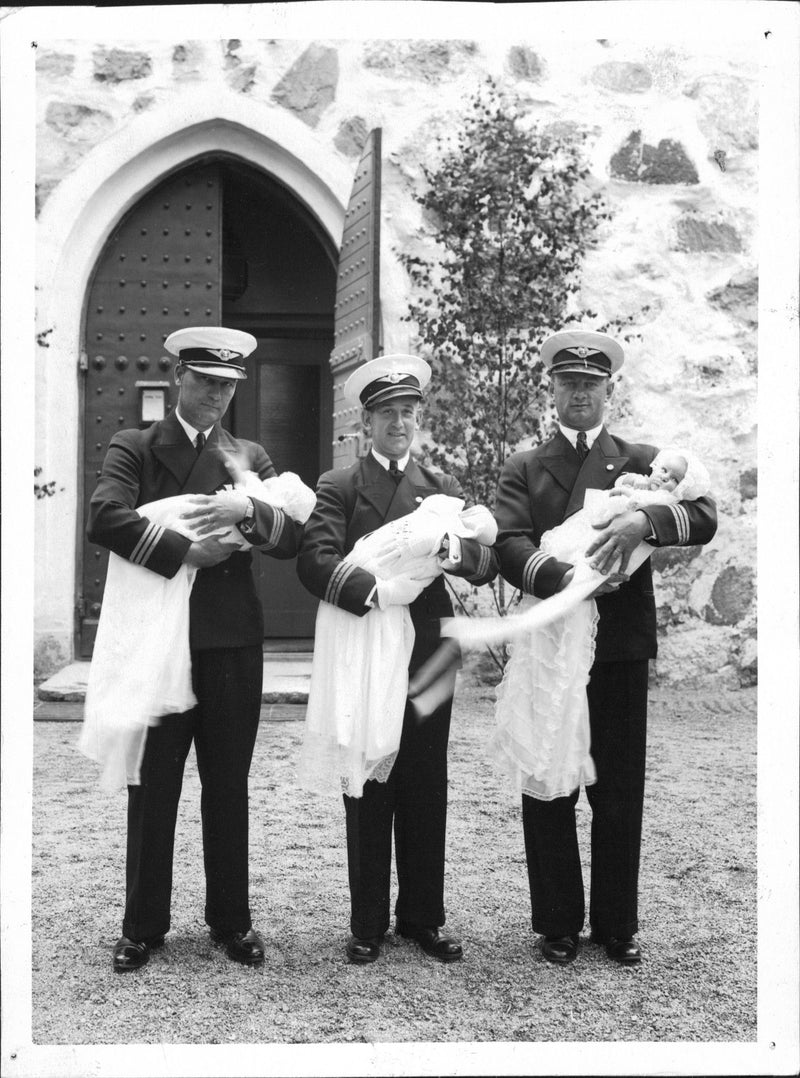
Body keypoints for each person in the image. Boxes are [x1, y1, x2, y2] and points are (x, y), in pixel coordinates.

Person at [493, 329, 717, 967]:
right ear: (553, 391)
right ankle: (557, 923)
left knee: (617, 786)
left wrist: (643, 520)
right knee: (550, 777)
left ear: (607, 391)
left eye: (591, 385)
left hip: (616, 648)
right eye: (569, 384)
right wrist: (567, 581)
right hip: (552, 645)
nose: (579, 395)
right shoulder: (526, 467)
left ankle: (617, 926)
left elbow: (704, 515)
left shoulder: (642, 461)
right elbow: (509, 542)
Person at [86, 326, 303, 973]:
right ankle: (143, 925)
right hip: (160, 642)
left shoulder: (249, 456)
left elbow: (290, 536)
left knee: (227, 782)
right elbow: (104, 515)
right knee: (154, 784)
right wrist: (189, 551)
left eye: (226, 386)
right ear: (180, 375)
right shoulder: (137, 445)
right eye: (205, 382)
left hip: (231, 638)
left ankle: (230, 921)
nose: (215, 396)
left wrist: (251, 511)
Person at [296, 354, 498, 965]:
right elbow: (315, 560)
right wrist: (374, 591)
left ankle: (423, 918)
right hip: (367, 645)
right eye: (388, 414)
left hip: (430, 650)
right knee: (369, 770)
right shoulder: (339, 486)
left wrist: (458, 556)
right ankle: (367, 922)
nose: (400, 424)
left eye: (409, 413)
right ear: (367, 423)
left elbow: (484, 564)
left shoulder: (438, 489)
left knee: (424, 777)